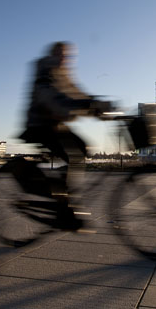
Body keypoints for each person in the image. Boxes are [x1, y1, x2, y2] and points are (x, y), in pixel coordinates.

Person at [19, 42, 112, 230]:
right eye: (62, 55)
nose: (66, 59)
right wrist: (82, 106)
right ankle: (62, 204)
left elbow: (76, 94)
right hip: (40, 125)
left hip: (56, 125)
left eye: (69, 56)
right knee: (74, 155)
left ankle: (62, 193)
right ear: (53, 54)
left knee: (84, 147)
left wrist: (97, 105)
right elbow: (49, 97)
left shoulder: (64, 74)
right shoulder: (46, 69)